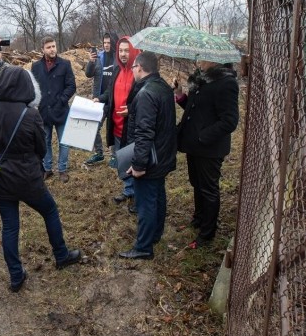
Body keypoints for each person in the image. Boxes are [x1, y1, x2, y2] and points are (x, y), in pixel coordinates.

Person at [0, 65, 82, 291]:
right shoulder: (31, 114)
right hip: (28, 178)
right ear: (26, 86)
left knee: (9, 227)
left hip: (1, 178)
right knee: (49, 211)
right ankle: (61, 255)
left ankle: (16, 276)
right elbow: (41, 148)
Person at [118, 51, 177, 260]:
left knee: (146, 202)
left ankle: (143, 246)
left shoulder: (145, 94)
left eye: (134, 67)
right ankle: (155, 234)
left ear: (140, 68)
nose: (132, 70)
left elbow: (144, 133)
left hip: (151, 159)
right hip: (163, 155)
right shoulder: (162, 87)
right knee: (158, 195)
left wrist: (139, 165)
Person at [174, 61, 239, 248]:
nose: (198, 60)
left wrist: (203, 136)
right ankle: (199, 218)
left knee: (209, 189)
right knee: (196, 183)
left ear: (215, 60)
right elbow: (194, 109)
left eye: (202, 57)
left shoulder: (226, 83)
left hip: (209, 148)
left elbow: (230, 120)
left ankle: (207, 233)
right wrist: (180, 95)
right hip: (193, 145)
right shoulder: (200, 78)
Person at [95, 36, 138, 208]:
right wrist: (100, 98)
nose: (123, 54)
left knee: (134, 161)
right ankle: (128, 190)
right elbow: (109, 91)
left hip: (132, 127)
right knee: (122, 159)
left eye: (127, 50)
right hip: (117, 125)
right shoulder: (117, 70)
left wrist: (132, 110)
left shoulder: (138, 72)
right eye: (121, 50)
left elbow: (143, 97)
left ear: (133, 51)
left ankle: (137, 195)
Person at [31, 36, 76, 183]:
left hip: (61, 110)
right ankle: (47, 168)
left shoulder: (65, 64)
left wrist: (62, 100)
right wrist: (36, 104)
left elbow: (71, 86)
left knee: (64, 141)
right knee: (45, 141)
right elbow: (33, 88)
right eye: (49, 47)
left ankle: (62, 169)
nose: (52, 49)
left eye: (54, 46)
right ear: (42, 49)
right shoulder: (36, 67)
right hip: (43, 111)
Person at [83, 32, 116, 165]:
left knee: (113, 128)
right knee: (94, 126)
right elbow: (88, 74)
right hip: (98, 100)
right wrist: (91, 62)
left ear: (113, 43)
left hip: (114, 99)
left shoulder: (117, 59)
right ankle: (99, 153)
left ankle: (114, 155)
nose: (106, 45)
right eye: (105, 43)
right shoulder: (99, 57)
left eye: (109, 42)